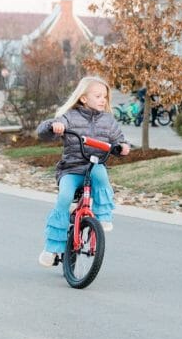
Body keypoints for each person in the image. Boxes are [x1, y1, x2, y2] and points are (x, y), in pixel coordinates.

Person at [35, 76, 129, 267]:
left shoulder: (108, 121)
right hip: (71, 169)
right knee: (63, 199)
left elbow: (119, 139)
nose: (103, 99)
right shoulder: (70, 116)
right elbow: (43, 131)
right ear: (84, 98)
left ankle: (103, 216)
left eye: (105, 96)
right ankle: (52, 248)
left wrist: (123, 147)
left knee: (102, 175)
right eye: (98, 96)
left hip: (94, 166)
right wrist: (54, 127)